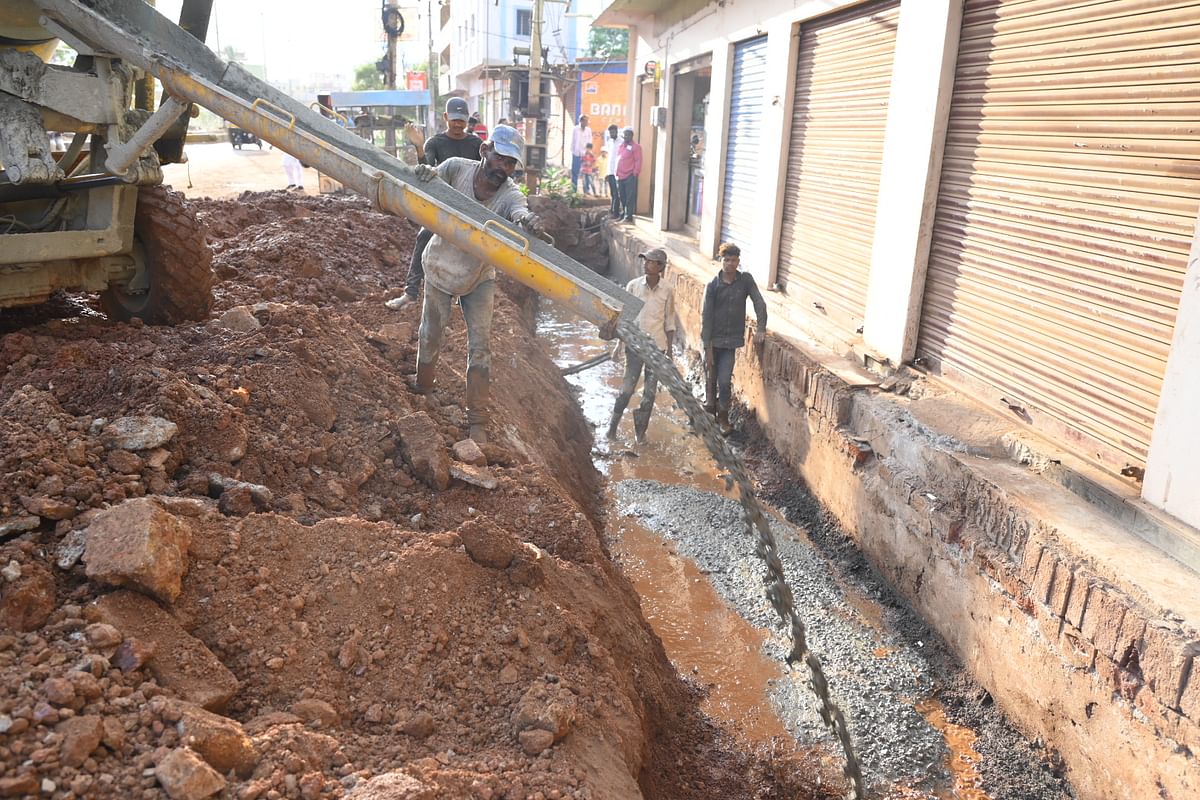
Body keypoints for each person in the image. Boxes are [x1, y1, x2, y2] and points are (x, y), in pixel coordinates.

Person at [410, 125, 544, 444]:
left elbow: (518, 209)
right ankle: (423, 387)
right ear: (485, 151)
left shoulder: (509, 193)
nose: (504, 168)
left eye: (510, 164)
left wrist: (525, 220)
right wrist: (423, 172)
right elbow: (429, 179)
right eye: (500, 158)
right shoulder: (456, 169)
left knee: (480, 346)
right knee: (430, 333)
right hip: (441, 266)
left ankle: (478, 420)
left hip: (479, 275)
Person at [386, 98, 484, 311]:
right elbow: (426, 172)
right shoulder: (436, 143)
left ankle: (465, 294)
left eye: (463, 121)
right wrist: (420, 148)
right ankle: (410, 293)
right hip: (443, 206)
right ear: (446, 117)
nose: (458, 124)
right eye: (455, 120)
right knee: (423, 238)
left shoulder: (476, 145)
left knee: (475, 250)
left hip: (470, 207)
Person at [606, 249, 676, 444]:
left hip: (657, 348)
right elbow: (625, 319)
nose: (646, 264)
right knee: (627, 389)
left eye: (651, 262)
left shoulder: (668, 290)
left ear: (661, 267)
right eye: (645, 261)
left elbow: (669, 322)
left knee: (649, 394)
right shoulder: (633, 286)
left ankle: (640, 434)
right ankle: (612, 429)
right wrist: (618, 346)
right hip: (635, 346)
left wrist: (669, 353)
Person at [701, 242, 767, 435]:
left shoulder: (745, 280)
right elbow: (706, 317)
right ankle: (709, 411)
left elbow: (759, 303)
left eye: (734, 260)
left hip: (729, 343)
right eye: (726, 260)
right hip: (712, 341)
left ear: (738, 262)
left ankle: (723, 417)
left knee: (723, 380)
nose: (730, 264)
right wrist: (707, 348)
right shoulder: (713, 285)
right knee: (710, 378)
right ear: (721, 261)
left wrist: (761, 328)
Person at [614, 126, 642, 223]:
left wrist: (635, 173)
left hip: (630, 175)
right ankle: (622, 214)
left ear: (632, 135)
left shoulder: (636, 147)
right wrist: (616, 172)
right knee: (622, 196)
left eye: (627, 134)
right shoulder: (621, 146)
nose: (625, 136)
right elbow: (618, 159)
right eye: (624, 134)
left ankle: (628, 217)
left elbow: (638, 160)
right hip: (620, 176)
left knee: (629, 197)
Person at [600, 124, 620, 216]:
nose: (612, 134)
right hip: (610, 171)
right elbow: (610, 159)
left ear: (617, 131)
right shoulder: (610, 142)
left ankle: (616, 212)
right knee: (612, 192)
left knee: (617, 193)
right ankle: (612, 210)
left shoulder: (621, 142)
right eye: (610, 132)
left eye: (613, 132)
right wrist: (607, 173)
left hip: (618, 172)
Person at [570, 114, 591, 190]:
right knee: (575, 172)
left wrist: (588, 152)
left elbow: (589, 142)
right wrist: (572, 150)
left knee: (586, 173)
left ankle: (586, 190)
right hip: (576, 153)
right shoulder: (575, 129)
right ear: (581, 121)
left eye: (587, 121)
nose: (586, 123)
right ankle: (573, 189)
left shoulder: (588, 130)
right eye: (585, 121)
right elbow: (573, 141)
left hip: (585, 155)